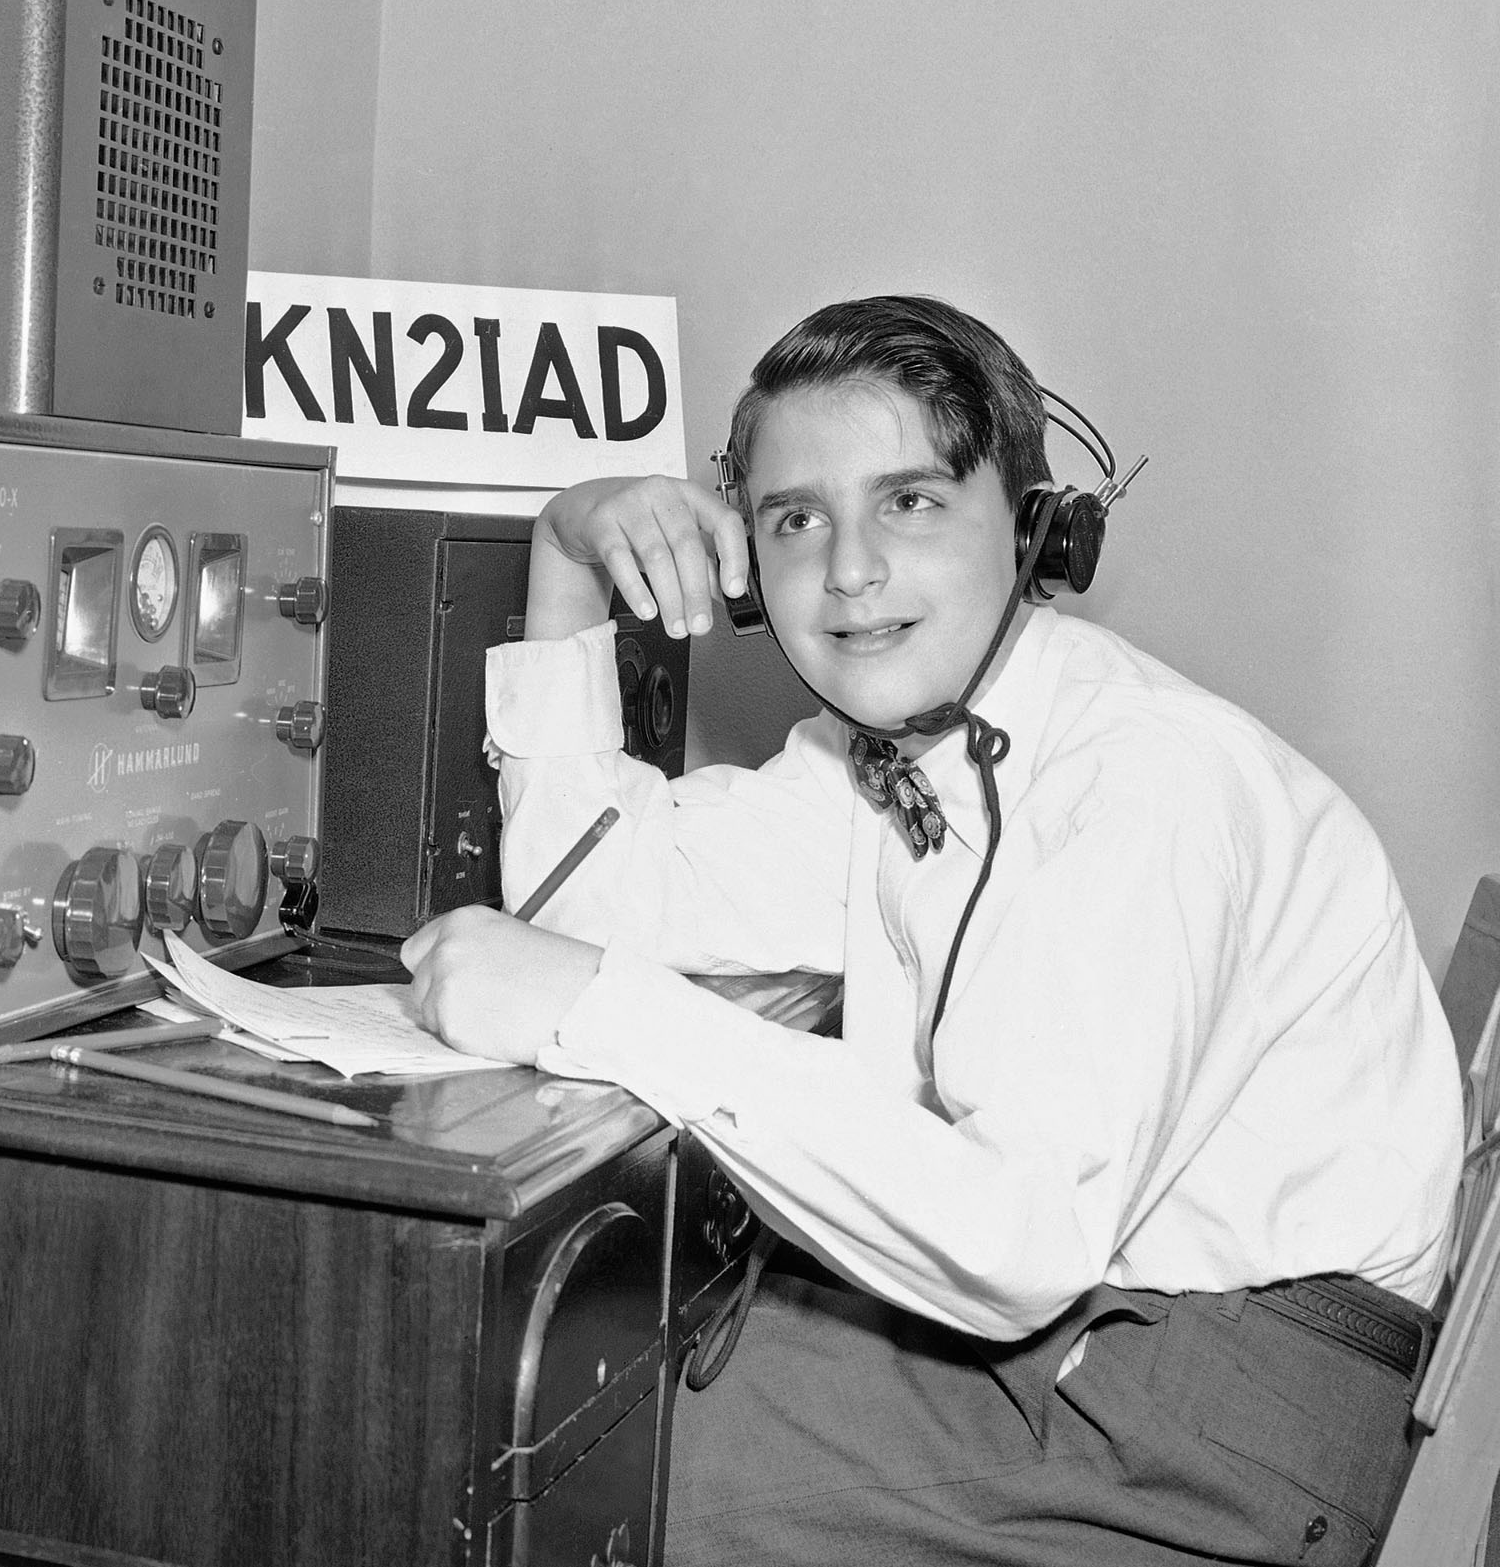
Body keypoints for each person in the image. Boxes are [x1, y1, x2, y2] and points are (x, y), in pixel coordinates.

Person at [402, 296, 1462, 1566]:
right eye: (798, 519)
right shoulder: (894, 756)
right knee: (582, 1375)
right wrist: (567, 557)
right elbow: (589, 896)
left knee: (553, 1466)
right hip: (1095, 1344)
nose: (848, 571)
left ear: (1032, 530)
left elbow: (1018, 1237)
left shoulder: (1143, 782)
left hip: (1212, 1417)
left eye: (908, 502)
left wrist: (604, 1009)